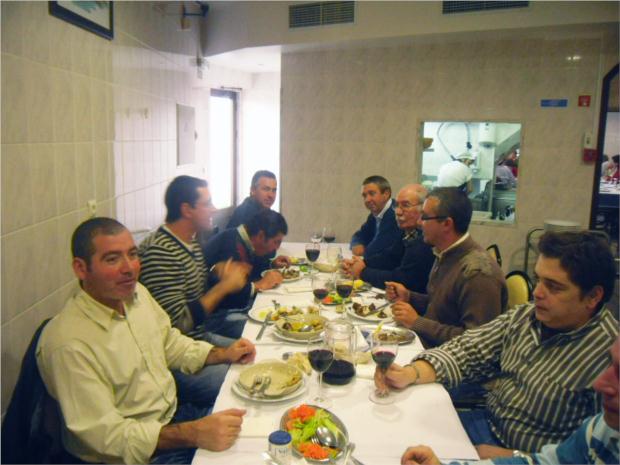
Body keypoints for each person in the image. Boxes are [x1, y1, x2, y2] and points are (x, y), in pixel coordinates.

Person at [36, 217, 256, 464]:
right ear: (80, 268)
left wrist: (222, 353)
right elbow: (106, 436)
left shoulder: (135, 295)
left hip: (174, 418)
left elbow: (169, 343)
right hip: (136, 454)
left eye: (132, 254)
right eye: (112, 259)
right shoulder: (69, 342)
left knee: (255, 429)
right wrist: (193, 433)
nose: (129, 268)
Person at [377, 230, 619, 454]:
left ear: (593, 296)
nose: (537, 292)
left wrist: (510, 457)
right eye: (538, 280)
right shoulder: (526, 316)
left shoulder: (608, 357)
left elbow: (594, 456)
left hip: (522, 454)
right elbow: (468, 350)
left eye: (553, 287)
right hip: (485, 422)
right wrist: (411, 373)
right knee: (394, 433)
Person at [399, 336, 620, 465]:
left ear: (593, 297)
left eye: (554, 287)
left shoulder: (599, 345)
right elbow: (545, 462)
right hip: (490, 423)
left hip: (506, 443)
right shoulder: (602, 430)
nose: (600, 383)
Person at [139, 176, 253, 406]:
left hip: (199, 338)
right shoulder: (161, 252)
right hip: (177, 359)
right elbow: (178, 325)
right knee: (244, 384)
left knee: (252, 357)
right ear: (186, 210)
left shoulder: (188, 241)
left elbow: (190, 290)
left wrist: (216, 272)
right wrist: (223, 287)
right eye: (207, 203)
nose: (214, 209)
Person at [386, 187, 506, 348]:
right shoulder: (444, 253)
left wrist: (417, 322)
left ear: (447, 224)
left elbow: (477, 343)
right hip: (431, 346)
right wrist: (409, 297)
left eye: (425, 217)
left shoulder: (477, 274)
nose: (419, 223)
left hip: (445, 357)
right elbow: (442, 307)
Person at [342, 184, 434, 293]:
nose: (398, 212)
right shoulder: (409, 231)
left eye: (405, 205)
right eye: (397, 206)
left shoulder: (426, 238)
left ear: (424, 209)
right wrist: (363, 263)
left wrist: (362, 272)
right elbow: (390, 257)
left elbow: (403, 280)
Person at [203, 210, 291, 310]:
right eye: (276, 242)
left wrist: (272, 264)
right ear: (261, 236)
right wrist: (257, 286)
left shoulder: (244, 239)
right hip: (220, 314)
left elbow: (252, 268)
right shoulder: (230, 246)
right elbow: (225, 297)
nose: (277, 248)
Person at [350, 175, 401, 257]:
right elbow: (359, 235)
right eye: (364, 196)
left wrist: (363, 250)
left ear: (386, 194)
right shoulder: (376, 213)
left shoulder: (395, 215)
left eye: (372, 194)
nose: (367, 200)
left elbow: (377, 249)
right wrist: (356, 244)